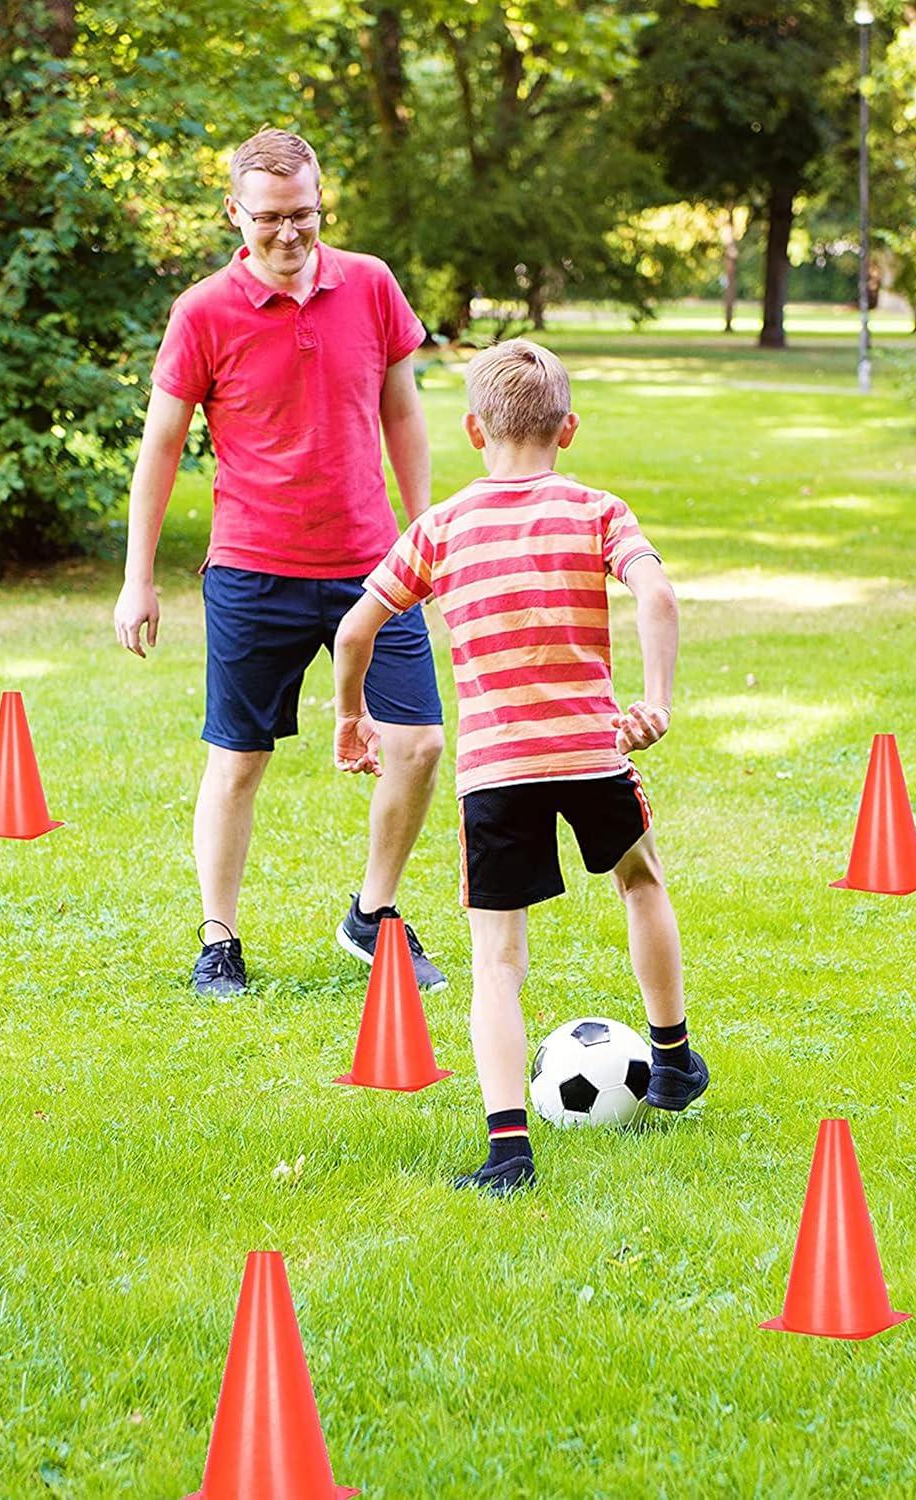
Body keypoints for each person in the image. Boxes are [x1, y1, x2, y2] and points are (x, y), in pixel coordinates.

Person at [332, 339, 709, 1195]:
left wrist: (351, 718)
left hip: (498, 770)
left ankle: (508, 1152)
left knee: (497, 959)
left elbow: (356, 629)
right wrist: (654, 699)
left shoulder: (442, 527)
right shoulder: (599, 511)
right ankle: (675, 1057)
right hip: (589, 749)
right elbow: (657, 592)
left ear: (473, 429)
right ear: (567, 429)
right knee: (641, 882)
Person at [113, 128, 448, 999]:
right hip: (253, 569)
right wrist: (138, 577)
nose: (289, 234)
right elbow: (159, 449)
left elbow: (403, 418)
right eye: (269, 218)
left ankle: (372, 917)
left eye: (304, 214)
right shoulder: (203, 311)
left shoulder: (370, 285)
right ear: (235, 212)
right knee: (238, 758)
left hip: (374, 569)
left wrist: (426, 536)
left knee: (417, 746)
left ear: (321, 203)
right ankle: (219, 938)